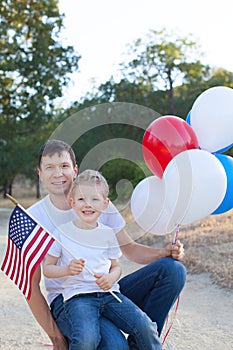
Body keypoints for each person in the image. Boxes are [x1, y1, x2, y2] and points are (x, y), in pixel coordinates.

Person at [27, 139, 186, 350]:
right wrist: (57, 338)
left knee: (173, 269)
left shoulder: (98, 201)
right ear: (40, 173)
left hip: (106, 289)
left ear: (74, 170)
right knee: (115, 346)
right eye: (50, 168)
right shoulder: (33, 219)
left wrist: (164, 252)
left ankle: (142, 342)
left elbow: (129, 249)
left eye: (64, 166)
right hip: (71, 300)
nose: (58, 174)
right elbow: (31, 286)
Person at [43, 169, 162, 350]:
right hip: (78, 298)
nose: (88, 205)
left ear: (105, 204)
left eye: (94, 199)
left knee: (145, 325)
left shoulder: (107, 233)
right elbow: (48, 269)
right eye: (82, 199)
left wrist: (111, 278)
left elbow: (116, 266)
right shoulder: (61, 232)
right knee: (86, 339)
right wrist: (66, 269)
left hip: (109, 295)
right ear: (72, 202)